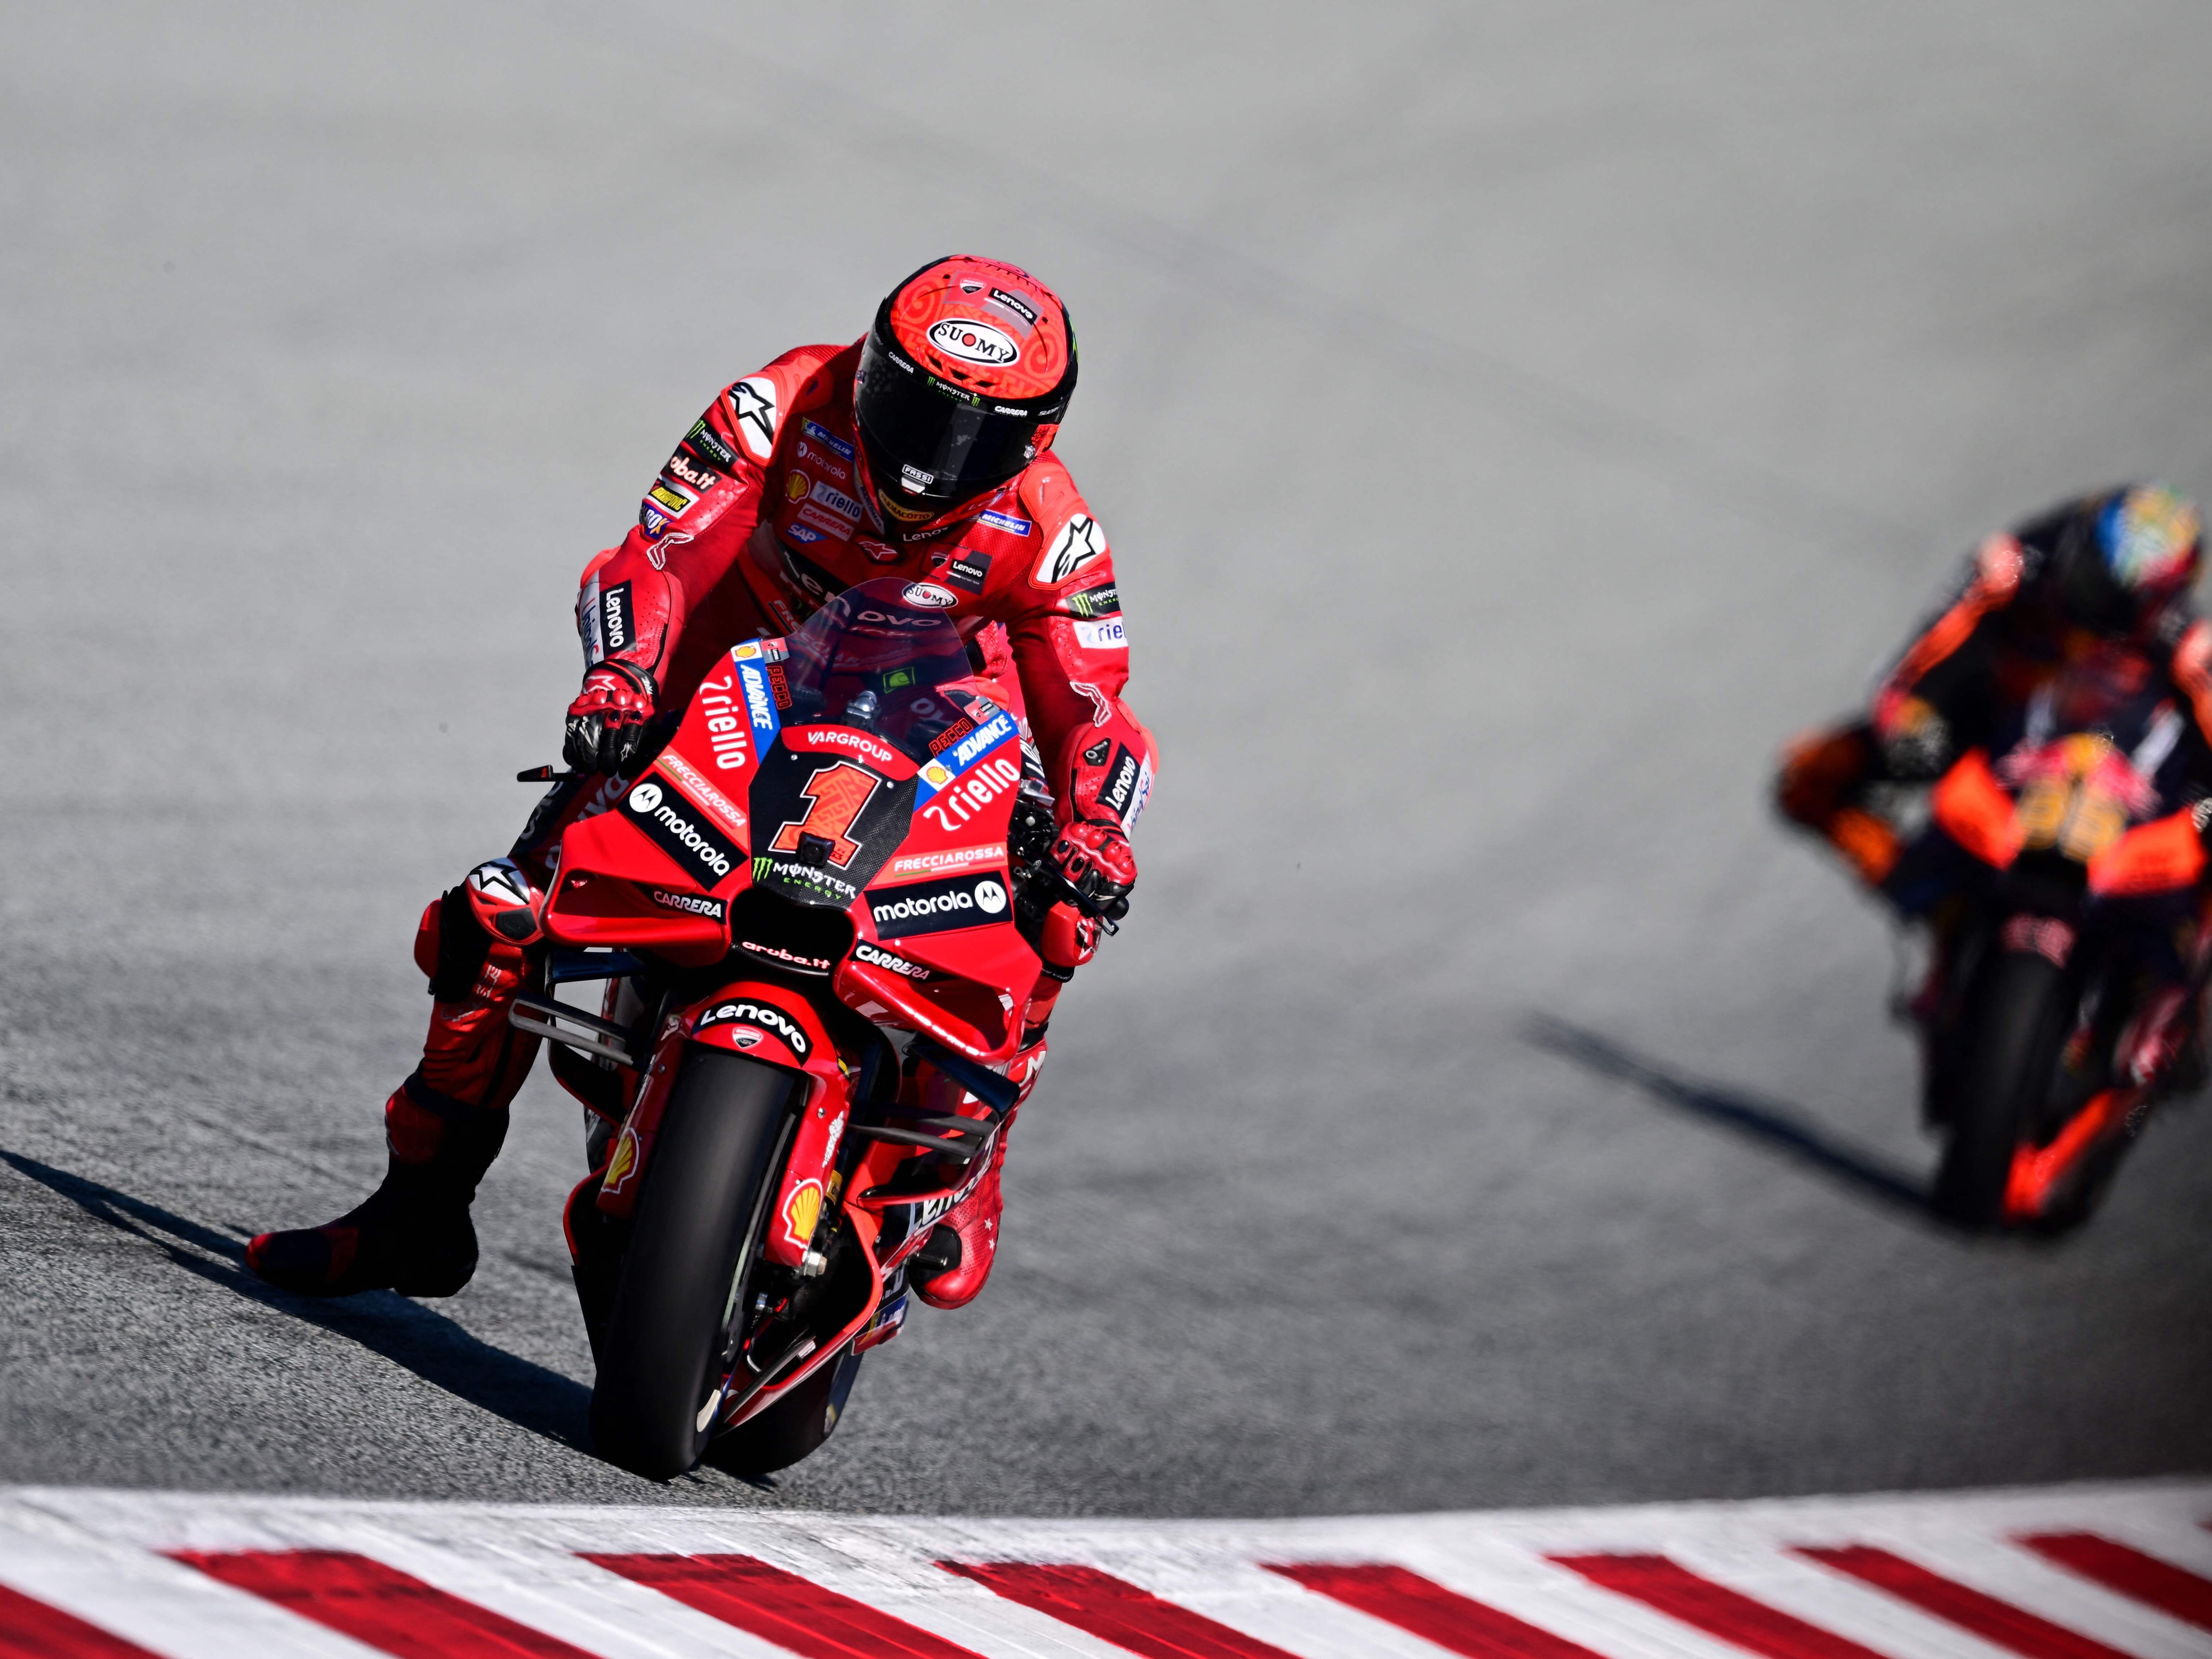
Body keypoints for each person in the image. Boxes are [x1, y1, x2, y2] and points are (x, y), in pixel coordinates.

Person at [249, 256, 1153, 1309]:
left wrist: (1098, 828)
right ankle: (419, 1212)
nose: (927, 461)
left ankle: (965, 1160)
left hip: (938, 735)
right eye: (911, 407)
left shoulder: (1053, 523)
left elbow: (1094, 703)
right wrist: (621, 675)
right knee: (494, 916)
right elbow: (659, 552)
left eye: (975, 435)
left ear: (1035, 438)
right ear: (868, 368)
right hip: (729, 697)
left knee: (1059, 914)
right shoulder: (780, 404)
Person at [1776, 482, 2209, 1084]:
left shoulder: (2189, 647)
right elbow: (1921, 660)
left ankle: (2175, 990)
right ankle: (1935, 898)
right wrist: (1910, 720)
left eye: (2116, 601)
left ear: (2159, 598)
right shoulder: (2012, 566)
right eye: (2088, 578)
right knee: (1809, 776)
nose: (2092, 606)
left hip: (2124, 783)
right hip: (1993, 742)